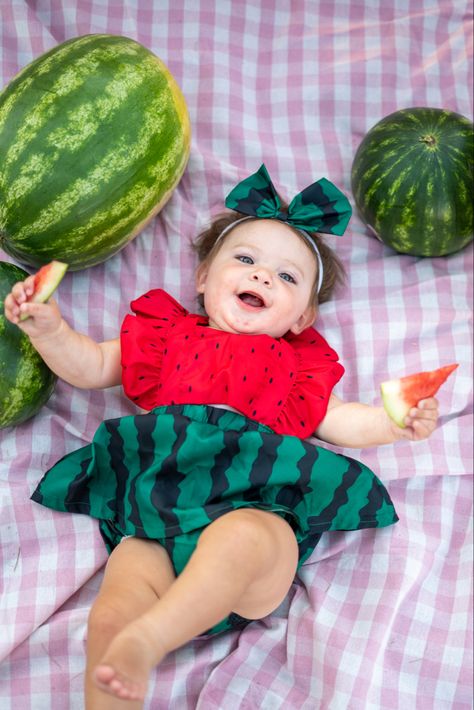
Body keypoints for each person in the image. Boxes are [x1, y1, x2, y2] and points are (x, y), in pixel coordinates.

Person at [5, 164, 439, 708]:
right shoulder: (165, 334)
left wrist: (396, 422)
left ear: (303, 316)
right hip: (158, 517)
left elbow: (343, 420)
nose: (262, 277)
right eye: (247, 259)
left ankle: (152, 637)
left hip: (252, 515)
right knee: (114, 606)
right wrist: (49, 329)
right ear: (204, 278)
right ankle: (119, 670)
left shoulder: (299, 367)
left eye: (287, 277)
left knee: (242, 540)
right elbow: (90, 365)